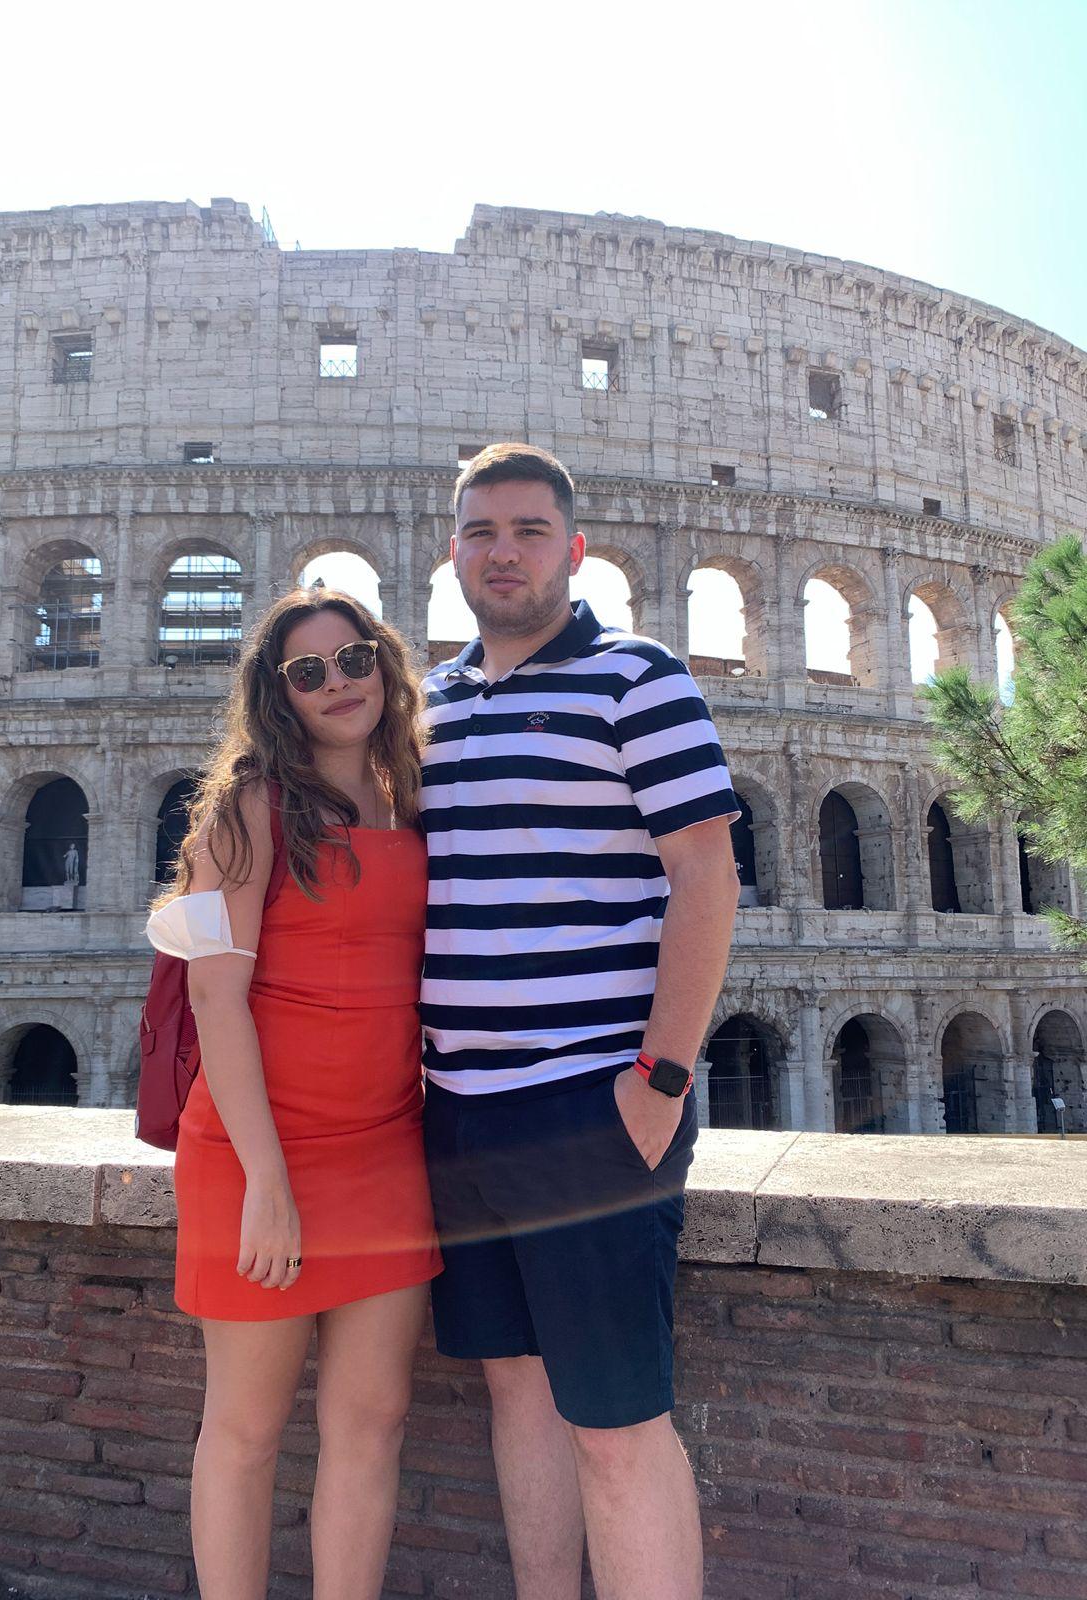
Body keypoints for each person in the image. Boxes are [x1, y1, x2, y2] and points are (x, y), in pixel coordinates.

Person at [421, 443, 741, 1600]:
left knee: (616, 1421)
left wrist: (657, 1080)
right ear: (451, 549)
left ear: (575, 547)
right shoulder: (436, 701)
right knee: (517, 1391)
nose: (502, 552)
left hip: (589, 1101)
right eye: (480, 531)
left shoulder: (637, 676)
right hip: (456, 1110)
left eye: (528, 529)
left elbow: (708, 878)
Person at [145, 589, 441, 1600]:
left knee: (373, 1420)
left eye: (353, 659)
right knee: (247, 1425)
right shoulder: (248, 807)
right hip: (253, 1153)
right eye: (307, 672)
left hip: (387, 1146)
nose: (337, 684)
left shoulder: (414, 793)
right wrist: (268, 1180)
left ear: (385, 663)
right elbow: (216, 998)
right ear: (278, 696)